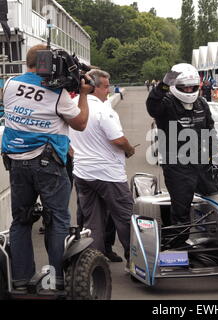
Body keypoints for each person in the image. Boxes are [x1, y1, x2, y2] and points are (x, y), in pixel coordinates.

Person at [1, 44, 92, 291]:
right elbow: (81, 123)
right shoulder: (57, 93)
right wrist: (83, 93)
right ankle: (57, 279)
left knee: (20, 220)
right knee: (58, 219)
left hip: (16, 162)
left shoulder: (9, 84)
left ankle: (20, 279)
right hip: (47, 163)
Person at [146, 63, 218, 248]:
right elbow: (152, 106)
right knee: (181, 209)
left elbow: (211, 131)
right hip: (177, 165)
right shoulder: (166, 102)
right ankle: (178, 245)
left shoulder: (202, 103)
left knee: (217, 198)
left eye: (191, 87)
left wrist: (214, 158)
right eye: (184, 87)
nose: (188, 90)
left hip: (202, 163)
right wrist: (163, 85)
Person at [69, 69, 136, 266]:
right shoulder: (104, 110)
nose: (109, 90)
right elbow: (118, 139)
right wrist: (129, 149)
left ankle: (92, 265)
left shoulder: (72, 106)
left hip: (82, 172)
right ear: (92, 87)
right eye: (106, 86)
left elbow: (63, 137)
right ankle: (137, 261)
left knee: (92, 222)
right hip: (109, 174)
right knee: (125, 217)